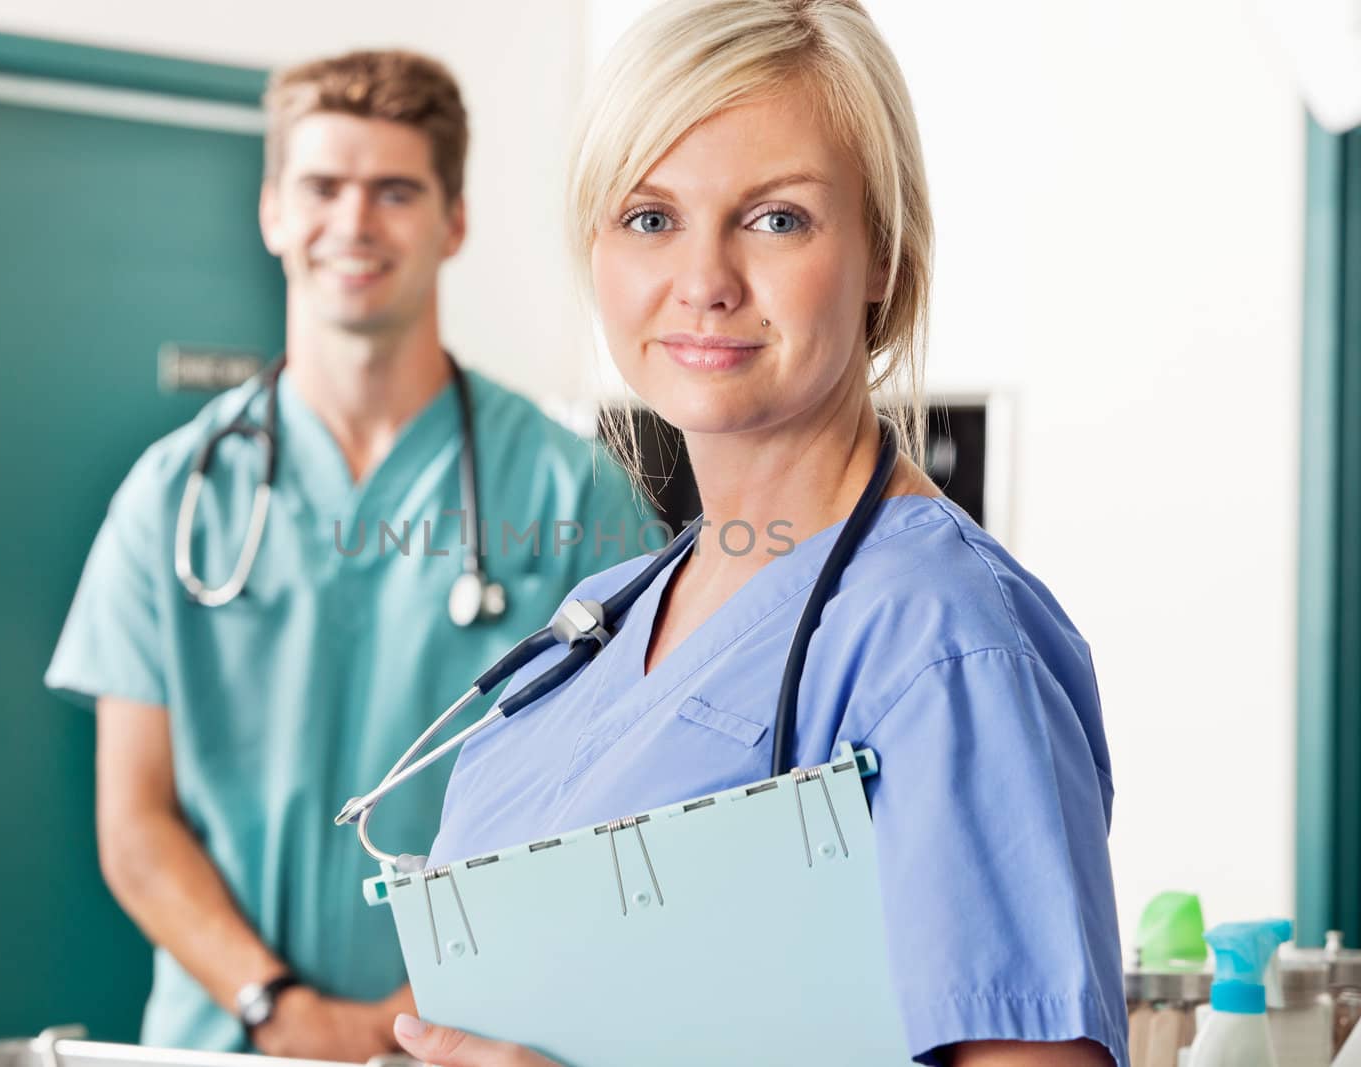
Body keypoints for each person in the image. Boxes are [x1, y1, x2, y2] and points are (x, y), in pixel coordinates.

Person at [386, 2, 1128, 1065]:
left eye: (776, 218)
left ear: (884, 254)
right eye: (649, 217)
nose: (704, 281)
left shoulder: (942, 641)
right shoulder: (612, 618)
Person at [45, 50, 643, 1060]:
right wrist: (275, 1003)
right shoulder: (172, 494)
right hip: (223, 1038)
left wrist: (421, 1004)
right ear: (274, 210)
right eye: (323, 186)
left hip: (478, 1035)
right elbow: (133, 819)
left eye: (396, 190)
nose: (354, 223)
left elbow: (626, 798)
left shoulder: (571, 492)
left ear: (454, 220)